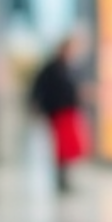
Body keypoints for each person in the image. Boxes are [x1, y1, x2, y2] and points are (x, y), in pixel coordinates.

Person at [29, 38, 88, 191]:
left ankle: (64, 179)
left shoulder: (69, 68)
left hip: (68, 111)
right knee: (61, 148)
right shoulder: (52, 68)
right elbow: (39, 86)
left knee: (67, 148)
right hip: (57, 112)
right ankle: (60, 180)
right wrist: (36, 105)